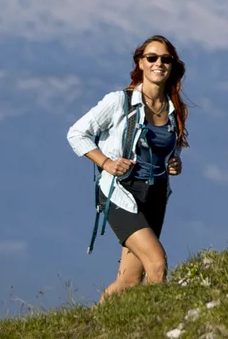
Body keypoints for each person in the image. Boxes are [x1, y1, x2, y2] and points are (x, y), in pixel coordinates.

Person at [66, 35, 188, 301]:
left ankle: (93, 326)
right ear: (140, 63)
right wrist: (106, 163)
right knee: (157, 263)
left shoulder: (174, 108)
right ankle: (154, 326)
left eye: (166, 59)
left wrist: (174, 163)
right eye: (152, 58)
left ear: (172, 65)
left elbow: (167, 148)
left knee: (129, 281)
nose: (159, 63)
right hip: (120, 193)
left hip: (155, 196)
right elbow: (76, 134)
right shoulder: (119, 102)